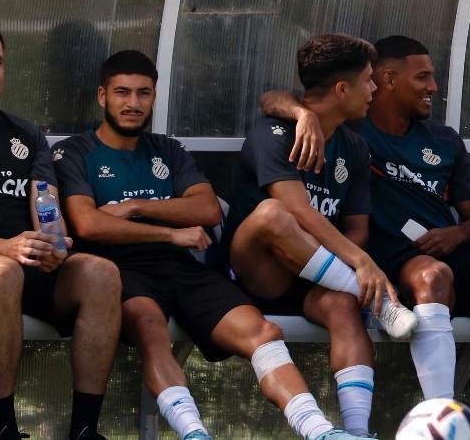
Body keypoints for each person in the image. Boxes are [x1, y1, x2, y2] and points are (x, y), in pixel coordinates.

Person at [262, 34, 470, 440]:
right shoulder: (353, 132)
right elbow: (271, 99)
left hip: (457, 256)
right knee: (432, 276)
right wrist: (305, 116)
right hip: (400, 267)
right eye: (422, 77)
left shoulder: (444, 140)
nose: (433, 88)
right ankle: (442, 424)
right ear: (386, 79)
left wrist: (456, 233)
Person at [54, 50, 360, 440]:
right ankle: (194, 434)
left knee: (263, 333)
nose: (133, 104)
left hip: (181, 268)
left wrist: (132, 207)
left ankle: (320, 431)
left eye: (143, 93)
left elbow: (208, 209)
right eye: (122, 93)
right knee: (151, 328)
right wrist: (171, 230)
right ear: (102, 96)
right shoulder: (75, 152)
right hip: (117, 270)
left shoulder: (168, 150)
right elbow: (88, 223)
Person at [223, 33, 415, 438]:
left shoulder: (355, 148)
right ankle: (382, 304)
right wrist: (362, 266)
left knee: (344, 307)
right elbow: (294, 210)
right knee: (274, 213)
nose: (375, 90)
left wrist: (357, 257)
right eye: (368, 80)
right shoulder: (273, 133)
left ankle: (358, 432)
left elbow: (357, 230)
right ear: (343, 88)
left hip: (313, 276)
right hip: (257, 273)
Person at [0, 33, 121, 440]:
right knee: (2, 273)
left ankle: (84, 430)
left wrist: (55, 244)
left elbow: (45, 204)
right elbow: (5, 258)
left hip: (27, 262)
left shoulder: (24, 134)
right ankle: (1, 426)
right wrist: (2, 247)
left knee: (100, 273)